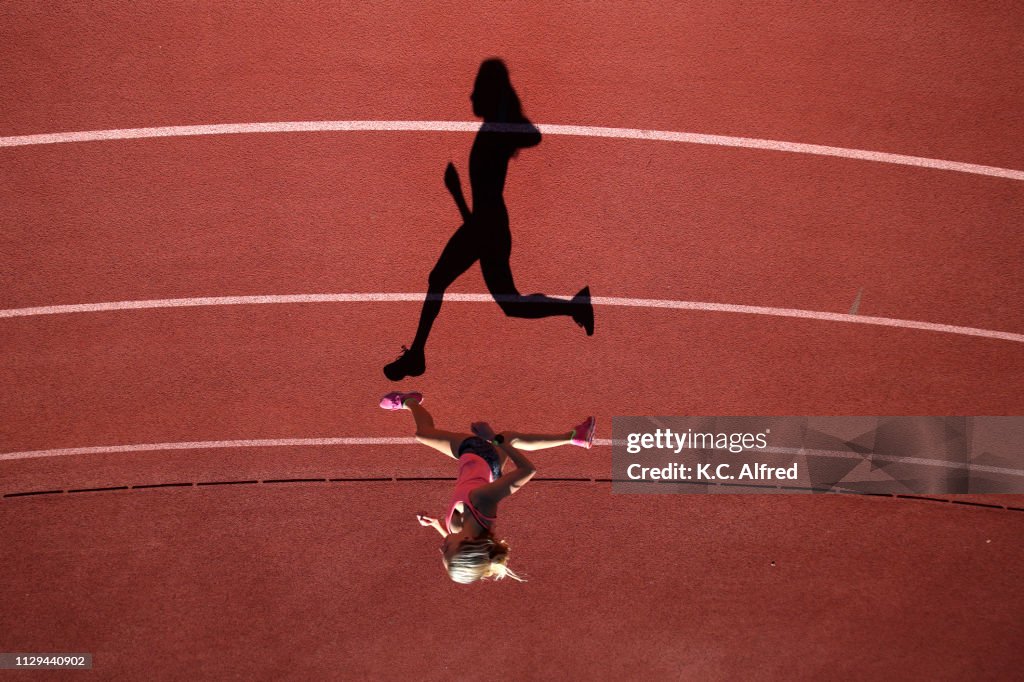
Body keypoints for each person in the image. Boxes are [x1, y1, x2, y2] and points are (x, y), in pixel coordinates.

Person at [384, 58, 594, 381]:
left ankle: (416, 356)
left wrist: (456, 193)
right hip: (488, 224)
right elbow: (530, 137)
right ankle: (574, 307)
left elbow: (531, 137)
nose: (470, 97)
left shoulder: (494, 132)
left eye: (476, 90)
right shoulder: (494, 129)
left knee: (441, 281)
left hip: (487, 226)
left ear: (488, 93)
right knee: (506, 301)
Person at [379, 391, 595, 583]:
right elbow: (528, 470)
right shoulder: (481, 502)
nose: (440, 548)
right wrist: (494, 439)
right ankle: (408, 401)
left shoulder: (459, 532)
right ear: (466, 543)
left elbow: (450, 536)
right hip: (477, 454)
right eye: (446, 551)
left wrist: (435, 524)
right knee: (424, 434)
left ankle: (574, 437)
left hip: (482, 469)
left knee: (512, 438)